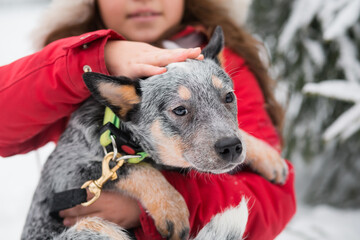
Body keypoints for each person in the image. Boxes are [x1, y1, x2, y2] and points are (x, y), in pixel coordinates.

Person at [0, 0, 296, 239]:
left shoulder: (221, 62)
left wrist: (150, 208)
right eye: (181, 110)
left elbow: (276, 196)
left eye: (227, 98)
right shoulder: (75, 69)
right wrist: (89, 59)